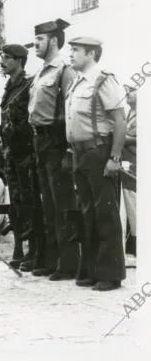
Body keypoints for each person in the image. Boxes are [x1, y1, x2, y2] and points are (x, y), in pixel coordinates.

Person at [66, 37, 126, 291]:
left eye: (76, 50)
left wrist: (114, 158)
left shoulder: (103, 79)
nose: (71, 55)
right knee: (87, 213)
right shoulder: (77, 82)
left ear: (91, 54)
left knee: (105, 213)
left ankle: (110, 274)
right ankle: (91, 270)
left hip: (99, 151)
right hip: (81, 154)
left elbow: (120, 120)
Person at [27, 18, 79, 280]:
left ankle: (68, 263)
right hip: (40, 141)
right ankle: (51, 258)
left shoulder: (63, 70)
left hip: (56, 141)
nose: (35, 44)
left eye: (39, 39)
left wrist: (68, 150)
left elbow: (70, 112)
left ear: (54, 41)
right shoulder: (41, 72)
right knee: (47, 204)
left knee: (62, 204)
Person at [0, 43, 44, 269]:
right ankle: (18, 247)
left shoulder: (28, 85)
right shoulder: (8, 87)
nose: (2, 61)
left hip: (25, 152)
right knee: (15, 202)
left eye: (7, 58)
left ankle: (34, 250)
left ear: (19, 61)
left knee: (30, 201)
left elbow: (31, 119)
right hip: (11, 154)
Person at [122, 84, 136, 257]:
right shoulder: (128, 113)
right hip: (127, 162)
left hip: (137, 163)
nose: (127, 93)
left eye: (132, 90)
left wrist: (122, 138)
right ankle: (132, 242)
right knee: (129, 202)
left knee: (134, 202)